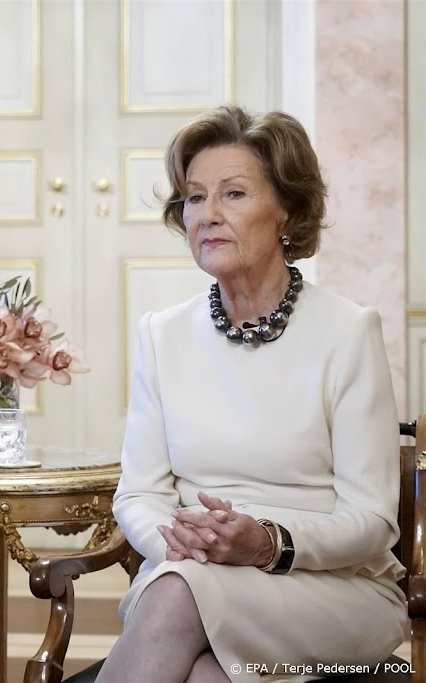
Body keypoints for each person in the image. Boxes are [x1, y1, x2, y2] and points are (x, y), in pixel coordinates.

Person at [92, 105, 407, 683]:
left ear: (286, 209)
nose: (207, 215)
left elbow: (373, 519)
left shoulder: (348, 332)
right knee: (204, 669)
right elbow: (138, 494)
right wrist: (189, 548)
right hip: (187, 572)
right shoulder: (162, 335)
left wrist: (267, 544)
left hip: (330, 588)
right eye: (194, 197)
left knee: (181, 597)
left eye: (233, 194)